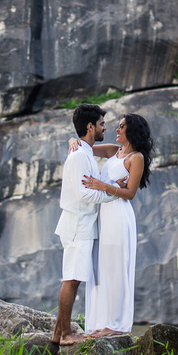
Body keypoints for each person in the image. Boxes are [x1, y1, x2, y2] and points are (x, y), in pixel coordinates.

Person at [69, 113, 153, 338]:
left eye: (122, 126)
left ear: (132, 130)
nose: (116, 129)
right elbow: (88, 147)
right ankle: (99, 322)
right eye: (116, 126)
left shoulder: (136, 158)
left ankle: (116, 324)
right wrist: (73, 141)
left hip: (118, 216)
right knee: (101, 268)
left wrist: (102, 185)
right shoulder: (114, 151)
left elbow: (130, 193)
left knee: (116, 268)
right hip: (102, 216)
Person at [52, 103, 118, 346]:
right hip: (78, 225)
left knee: (75, 277)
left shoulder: (85, 152)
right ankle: (66, 334)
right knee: (71, 278)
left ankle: (58, 333)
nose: (105, 127)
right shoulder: (80, 155)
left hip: (82, 224)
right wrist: (113, 194)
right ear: (90, 126)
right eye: (101, 124)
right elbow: (83, 195)